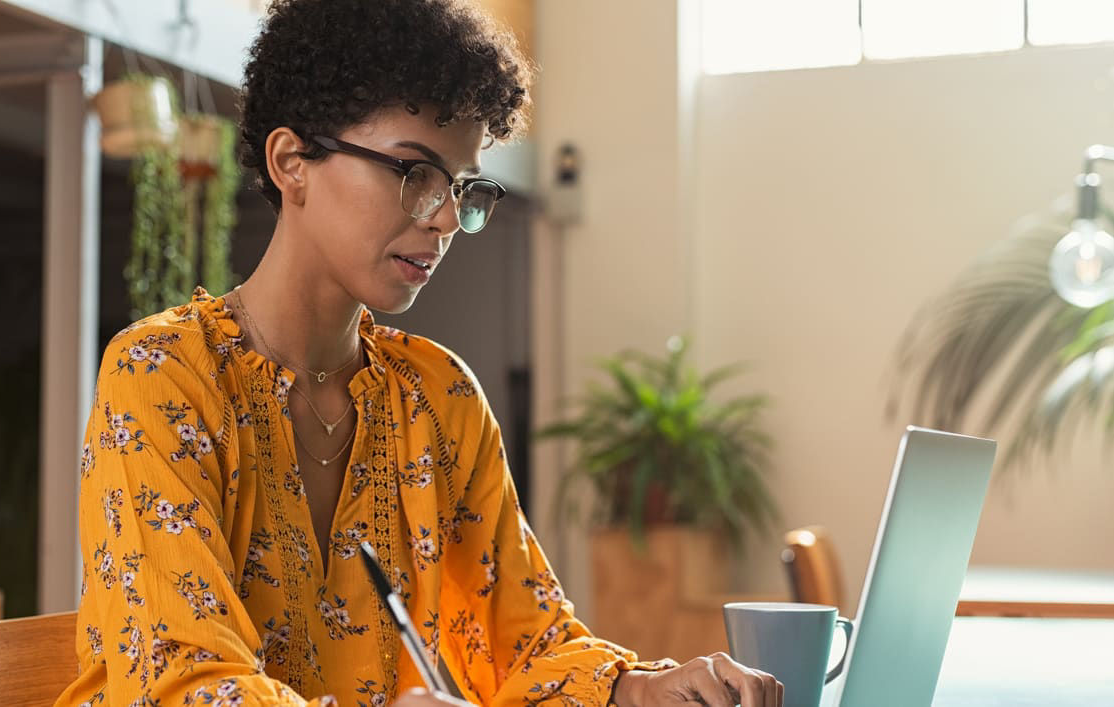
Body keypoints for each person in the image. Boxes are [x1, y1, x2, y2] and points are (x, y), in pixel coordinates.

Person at [55, 1, 782, 705]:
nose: (443, 219)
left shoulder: (438, 397)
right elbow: (180, 677)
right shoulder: (163, 375)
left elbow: (528, 643)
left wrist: (640, 687)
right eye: (413, 173)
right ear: (291, 161)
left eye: (459, 187)